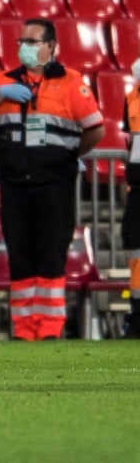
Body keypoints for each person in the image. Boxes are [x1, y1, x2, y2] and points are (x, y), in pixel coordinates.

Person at [0, 17, 103, 341]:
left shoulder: (71, 82)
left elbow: (95, 128)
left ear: (51, 47)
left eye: (32, 41)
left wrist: (69, 155)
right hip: (15, 182)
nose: (24, 47)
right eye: (21, 42)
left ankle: (50, 329)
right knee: (20, 254)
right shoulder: (5, 80)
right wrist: (1, 94)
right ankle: (25, 329)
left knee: (51, 254)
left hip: (56, 183)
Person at [123, 58, 140, 338]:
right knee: (133, 243)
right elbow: (132, 140)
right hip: (137, 186)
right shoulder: (131, 97)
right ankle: (137, 313)